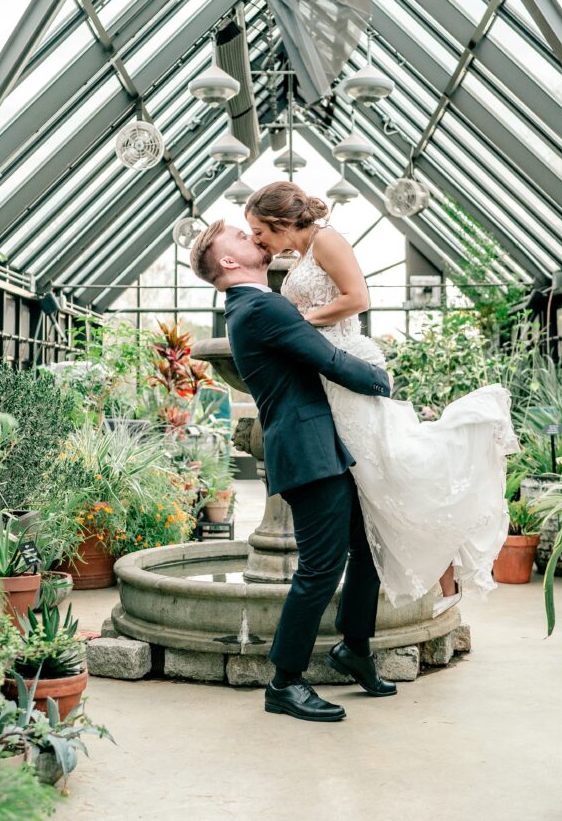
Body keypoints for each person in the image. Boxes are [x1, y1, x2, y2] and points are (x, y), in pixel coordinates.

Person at [244, 181, 519, 615]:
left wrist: (299, 323)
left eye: (258, 230)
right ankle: (431, 578)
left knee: (393, 469)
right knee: (381, 479)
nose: (257, 240)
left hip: (349, 362)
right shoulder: (299, 257)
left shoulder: (327, 240)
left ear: (279, 220)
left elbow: (358, 299)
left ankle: (447, 577)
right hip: (328, 371)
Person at [189, 220, 396, 723]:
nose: (253, 238)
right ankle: (284, 681)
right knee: (321, 568)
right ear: (229, 263)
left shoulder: (250, 307)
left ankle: (356, 648)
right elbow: (326, 358)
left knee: (366, 547)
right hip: (307, 453)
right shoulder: (260, 305)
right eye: (241, 237)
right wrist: (381, 380)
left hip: (321, 446)